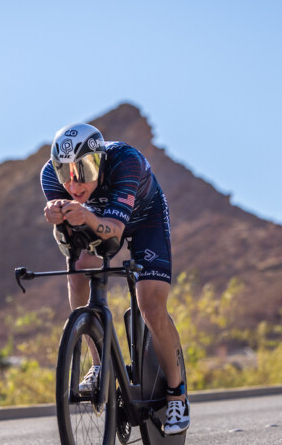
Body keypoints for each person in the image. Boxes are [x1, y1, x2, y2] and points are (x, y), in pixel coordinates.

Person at [40, 123, 190, 435]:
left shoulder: (125, 161)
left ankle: (177, 394)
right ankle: (97, 364)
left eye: (83, 171)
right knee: (79, 271)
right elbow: (69, 243)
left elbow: (115, 232)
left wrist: (86, 216)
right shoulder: (50, 177)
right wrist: (58, 222)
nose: (73, 184)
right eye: (65, 172)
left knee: (150, 305)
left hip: (144, 219)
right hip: (98, 220)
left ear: (100, 161)